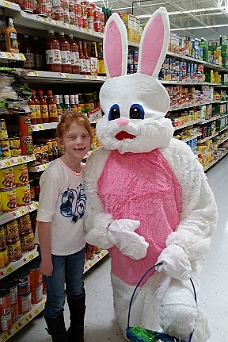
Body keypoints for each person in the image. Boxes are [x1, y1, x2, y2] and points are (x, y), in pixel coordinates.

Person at [36, 111, 93, 342]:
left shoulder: (86, 170)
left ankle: (77, 332)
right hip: (55, 252)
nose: (79, 142)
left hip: (77, 247)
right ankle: (59, 337)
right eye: (72, 137)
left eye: (83, 136)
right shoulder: (54, 174)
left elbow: (87, 210)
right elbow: (43, 219)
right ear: (60, 142)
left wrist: (88, 238)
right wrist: (46, 258)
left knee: (77, 289)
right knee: (57, 297)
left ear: (91, 138)